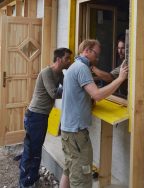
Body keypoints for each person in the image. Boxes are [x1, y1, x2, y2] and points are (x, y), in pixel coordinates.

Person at [59, 39, 128, 188]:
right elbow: (96, 94)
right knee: (82, 178)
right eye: (96, 55)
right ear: (87, 51)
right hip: (76, 133)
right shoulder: (82, 68)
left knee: (69, 169)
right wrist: (121, 78)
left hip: (68, 131)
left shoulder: (74, 66)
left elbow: (80, 95)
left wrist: (87, 101)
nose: (97, 59)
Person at [19, 47, 72, 188]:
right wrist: (69, 90)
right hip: (35, 116)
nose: (69, 61)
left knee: (35, 149)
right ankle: (25, 183)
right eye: (67, 58)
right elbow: (54, 93)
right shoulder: (47, 72)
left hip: (41, 116)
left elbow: (67, 86)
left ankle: (32, 178)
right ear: (59, 59)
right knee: (32, 151)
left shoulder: (60, 73)